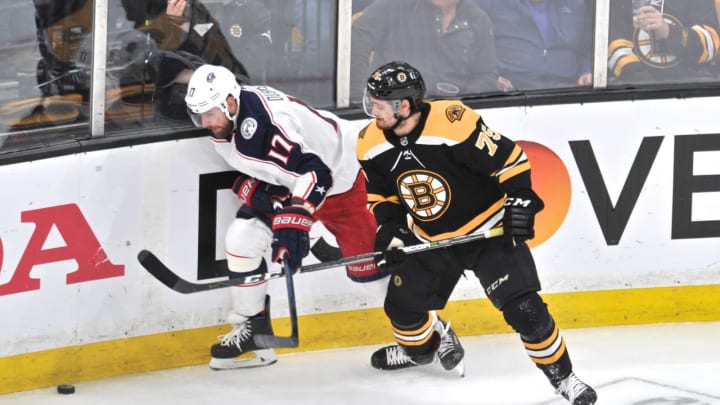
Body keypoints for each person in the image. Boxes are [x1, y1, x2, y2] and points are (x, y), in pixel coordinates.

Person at [356, 61, 597, 405]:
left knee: (525, 310)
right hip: (429, 239)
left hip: (489, 229)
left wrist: (520, 201)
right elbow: (383, 195)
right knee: (402, 311)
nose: (371, 110)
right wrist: (391, 229)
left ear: (404, 106)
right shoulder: (368, 142)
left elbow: (510, 162)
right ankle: (425, 348)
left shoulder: (453, 122)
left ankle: (565, 379)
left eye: (378, 104)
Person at [184, 64, 387, 369]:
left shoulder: (268, 129)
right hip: (297, 184)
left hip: (344, 178)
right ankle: (255, 330)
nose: (203, 122)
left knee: (372, 275)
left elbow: (317, 174)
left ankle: (430, 334)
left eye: (209, 113)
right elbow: (282, 172)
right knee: (242, 239)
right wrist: (266, 196)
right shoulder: (230, 115)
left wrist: (296, 220)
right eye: (197, 114)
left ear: (230, 103)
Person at [350, 0, 500, 101]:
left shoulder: (478, 19)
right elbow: (353, 46)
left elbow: (486, 76)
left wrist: (459, 103)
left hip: (452, 117)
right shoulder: (393, 5)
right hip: (396, 110)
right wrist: (361, 100)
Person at [472, 0, 593, 91]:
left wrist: (588, 70)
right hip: (510, 95)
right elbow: (465, 48)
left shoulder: (575, 5)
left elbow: (591, 47)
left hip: (570, 92)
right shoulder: (488, 4)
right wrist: (489, 78)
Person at [608, 0, 720, 84]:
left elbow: (710, 44)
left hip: (690, 88)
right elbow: (614, 44)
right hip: (634, 92)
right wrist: (644, 83)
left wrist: (669, 32)